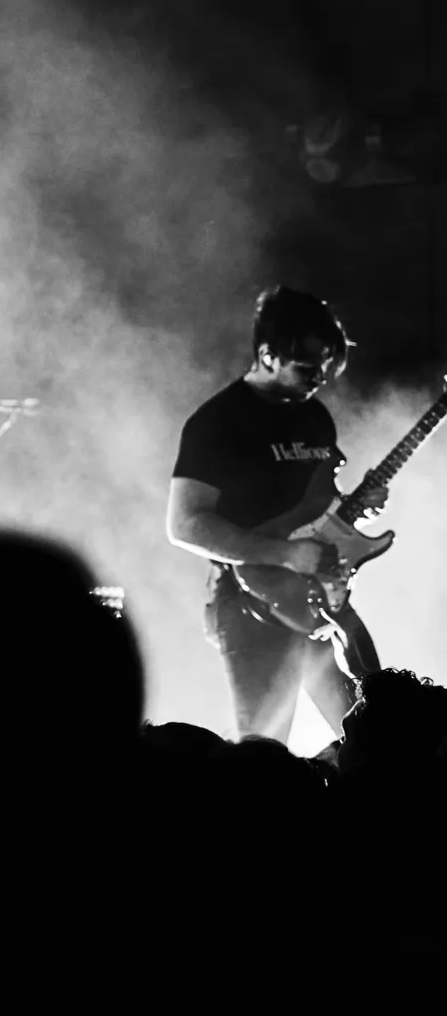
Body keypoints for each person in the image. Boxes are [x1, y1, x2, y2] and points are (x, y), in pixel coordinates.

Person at [167, 285, 388, 745]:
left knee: (375, 734)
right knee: (263, 752)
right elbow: (185, 524)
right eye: (307, 367)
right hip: (250, 606)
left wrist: (354, 513)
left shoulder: (316, 418)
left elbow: (316, 510)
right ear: (268, 356)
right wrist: (283, 555)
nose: (320, 378)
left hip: (320, 599)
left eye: (326, 366)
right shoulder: (217, 422)